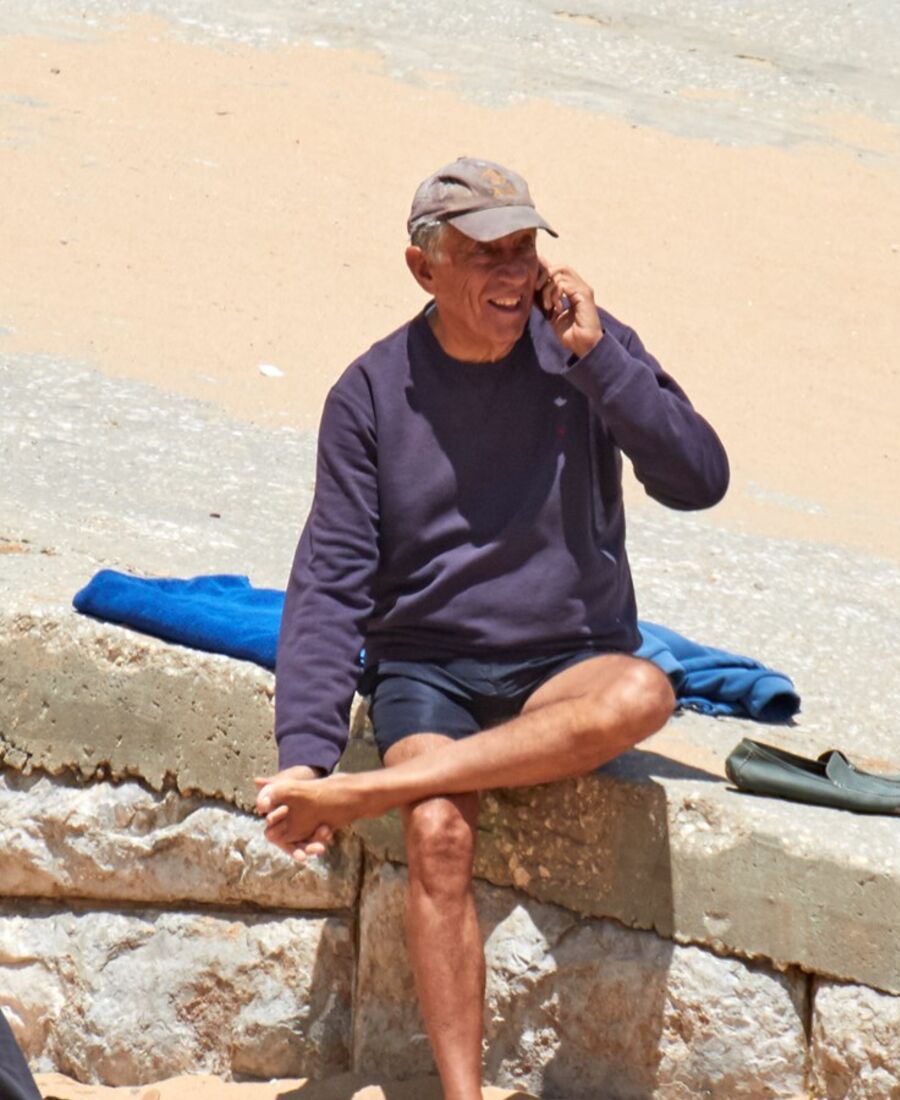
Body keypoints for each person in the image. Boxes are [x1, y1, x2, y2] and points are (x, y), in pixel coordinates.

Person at [255, 156, 729, 1100]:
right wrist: (306, 755)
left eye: (523, 249)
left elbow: (698, 479)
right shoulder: (369, 393)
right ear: (423, 268)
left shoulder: (585, 348)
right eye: (485, 255)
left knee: (645, 691)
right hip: (428, 667)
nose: (513, 275)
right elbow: (330, 579)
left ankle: (377, 790)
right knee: (436, 833)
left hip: (568, 662)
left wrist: (602, 361)